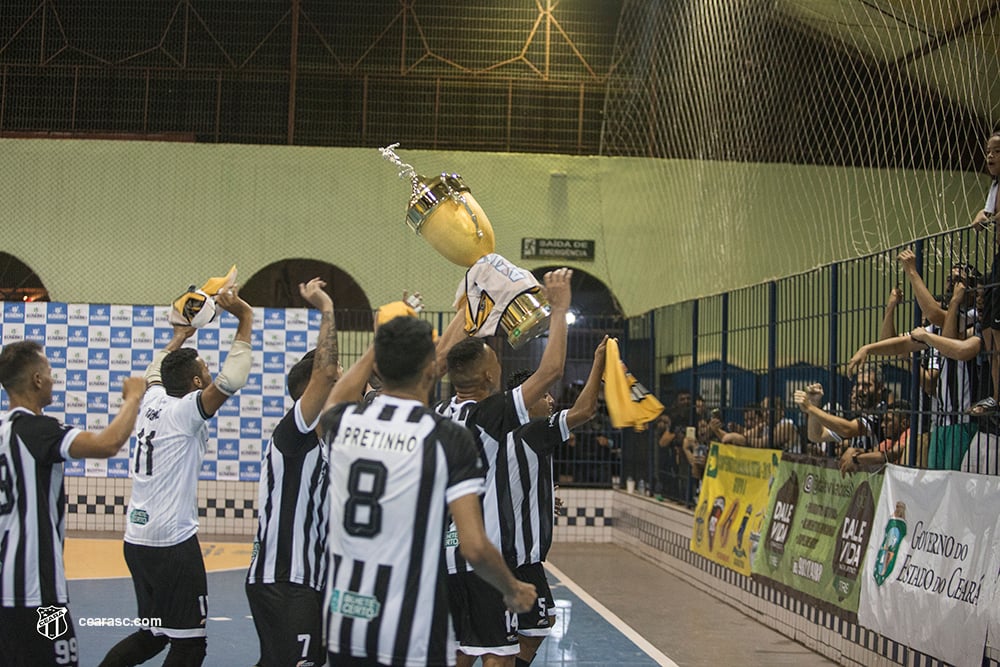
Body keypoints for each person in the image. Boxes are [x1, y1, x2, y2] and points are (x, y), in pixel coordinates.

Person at [318, 314, 536, 667]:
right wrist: (512, 589)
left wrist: (381, 343)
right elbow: (475, 547)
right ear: (432, 371)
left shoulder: (343, 423)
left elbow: (336, 397)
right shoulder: (447, 438)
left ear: (379, 364)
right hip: (411, 629)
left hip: (346, 623)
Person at [100, 287, 254, 667]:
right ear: (196, 385)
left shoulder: (153, 399)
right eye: (203, 371)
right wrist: (245, 319)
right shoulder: (186, 411)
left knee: (152, 635)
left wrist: (181, 335)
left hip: (136, 540)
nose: (209, 373)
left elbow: (157, 366)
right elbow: (232, 379)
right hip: (171, 544)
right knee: (188, 644)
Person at [436, 268, 572, 667]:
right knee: (500, 655)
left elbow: (437, 363)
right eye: (495, 360)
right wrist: (560, 308)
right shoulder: (489, 413)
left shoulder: (440, 413)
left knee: (459, 653)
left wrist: (467, 306)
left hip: (443, 560)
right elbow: (551, 372)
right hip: (483, 558)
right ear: (488, 375)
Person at [0, 341, 146, 667]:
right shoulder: (36, 429)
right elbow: (106, 444)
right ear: (37, 380)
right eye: (49, 374)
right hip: (39, 594)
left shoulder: (4, 431)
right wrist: (134, 397)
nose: (53, 380)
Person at [245, 278, 338, 667]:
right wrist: (327, 309)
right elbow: (327, 373)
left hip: (308, 581)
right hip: (284, 578)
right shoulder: (293, 434)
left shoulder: (328, 444)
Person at [500, 335, 607, 667]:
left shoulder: (499, 432)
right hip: (520, 557)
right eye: (544, 394)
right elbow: (585, 410)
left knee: (500, 637)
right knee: (533, 629)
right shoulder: (534, 431)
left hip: (501, 552)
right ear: (525, 400)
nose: (550, 400)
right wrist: (599, 361)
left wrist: (543, 499)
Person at [793, 367, 887, 478]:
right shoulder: (859, 416)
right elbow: (816, 435)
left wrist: (810, 408)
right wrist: (814, 404)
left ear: (880, 388)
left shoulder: (882, 414)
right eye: (858, 384)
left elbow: (848, 430)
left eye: (867, 385)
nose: (860, 390)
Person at [970, 129, 1000, 415]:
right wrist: (985, 214)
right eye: (988, 151)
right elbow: (986, 216)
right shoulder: (995, 186)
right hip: (998, 261)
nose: (990, 155)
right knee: (989, 331)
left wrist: (990, 217)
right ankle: (995, 396)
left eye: (997, 151)